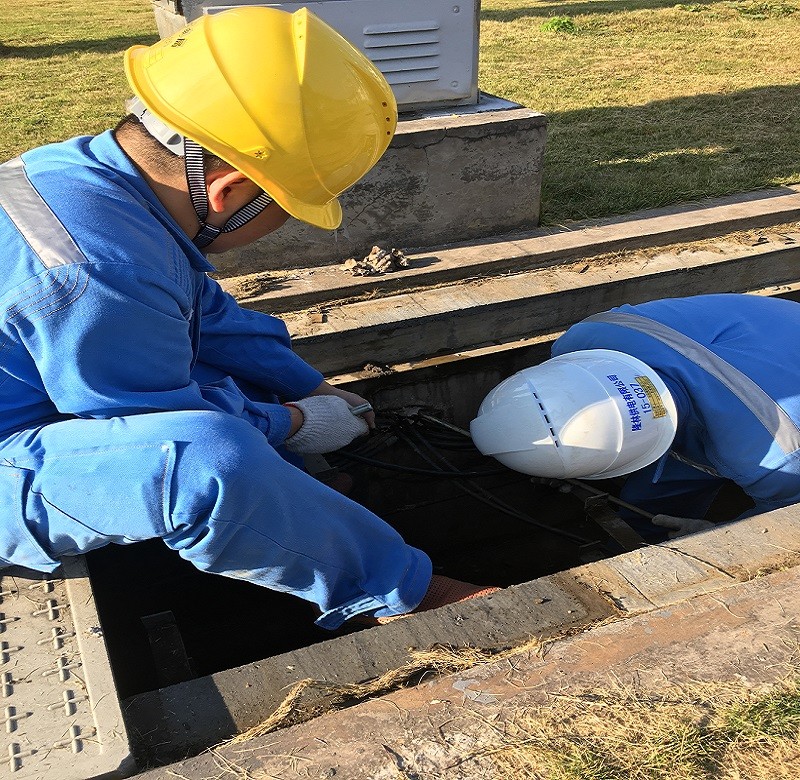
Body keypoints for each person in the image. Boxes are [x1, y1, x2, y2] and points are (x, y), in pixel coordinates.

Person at [0, 7, 496, 628]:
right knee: (208, 459)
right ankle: (401, 594)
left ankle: (306, 516)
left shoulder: (85, 181)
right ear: (229, 191)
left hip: (37, 384)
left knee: (227, 381)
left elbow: (207, 316)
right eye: (289, 207)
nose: (284, 223)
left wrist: (308, 387)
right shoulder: (99, 270)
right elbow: (156, 423)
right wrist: (291, 423)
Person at [471, 293, 800, 541]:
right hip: (770, 331)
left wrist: (724, 537)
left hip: (774, 393)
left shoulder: (776, 460)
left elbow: (787, 524)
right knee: (648, 506)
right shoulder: (585, 338)